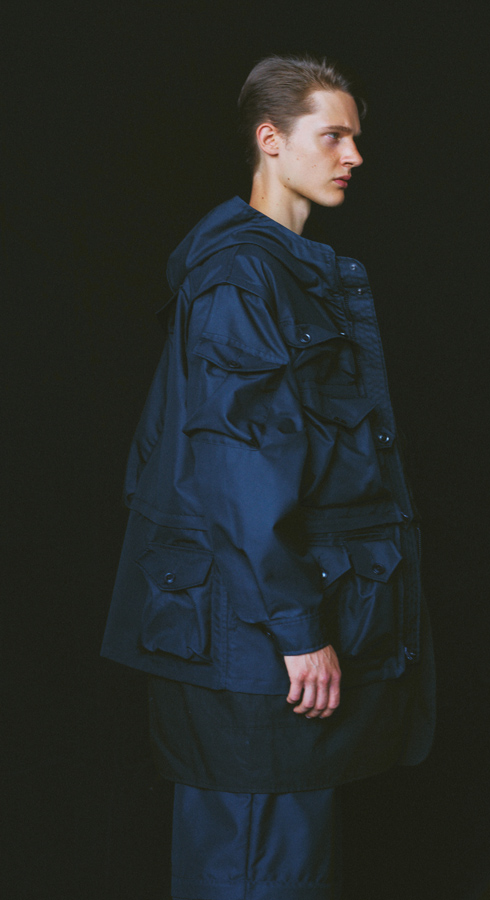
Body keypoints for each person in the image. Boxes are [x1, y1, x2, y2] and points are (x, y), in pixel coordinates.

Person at [101, 54, 435, 900]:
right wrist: (297, 629)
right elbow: (238, 466)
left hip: (260, 631)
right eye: (333, 136)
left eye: (356, 138)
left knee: (284, 861)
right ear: (270, 140)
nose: (354, 156)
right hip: (249, 638)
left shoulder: (286, 270)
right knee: (258, 867)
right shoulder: (241, 275)